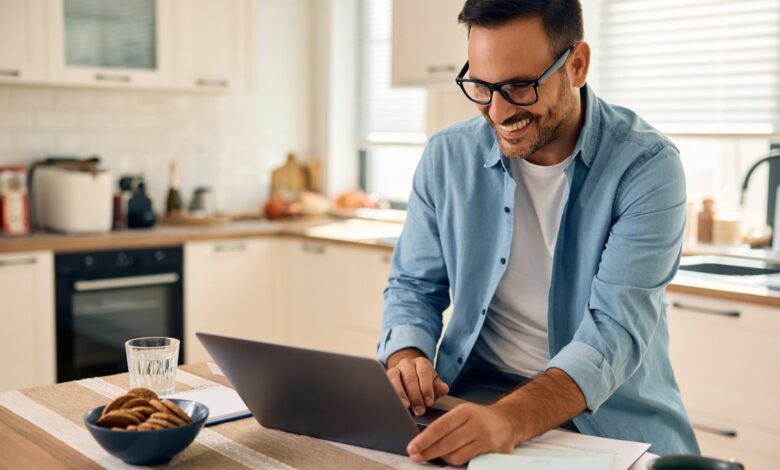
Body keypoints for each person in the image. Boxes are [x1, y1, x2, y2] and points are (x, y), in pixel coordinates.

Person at [377, 0, 699, 465]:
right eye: (482, 87)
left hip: (603, 417)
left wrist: (508, 419)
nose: (498, 112)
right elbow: (413, 286)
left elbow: (612, 334)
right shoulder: (447, 158)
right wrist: (406, 359)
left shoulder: (646, 167)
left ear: (577, 65)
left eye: (519, 86)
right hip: (473, 396)